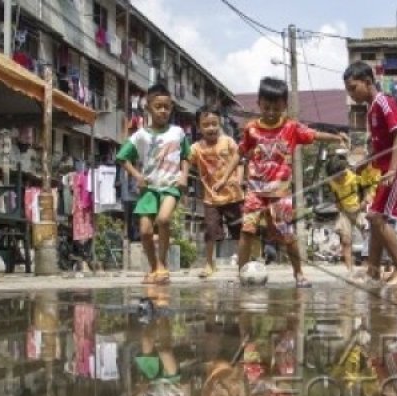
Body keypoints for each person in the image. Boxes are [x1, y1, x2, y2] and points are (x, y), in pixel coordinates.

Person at [223, 77, 348, 288]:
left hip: (280, 193)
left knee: (287, 235)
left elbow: (314, 134)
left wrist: (336, 138)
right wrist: (225, 177)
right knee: (247, 231)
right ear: (259, 104)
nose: (271, 112)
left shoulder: (291, 127)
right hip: (255, 191)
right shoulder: (251, 128)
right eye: (267, 107)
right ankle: (241, 274)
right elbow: (239, 152)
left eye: (276, 108)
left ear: (284, 106)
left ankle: (299, 273)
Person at [344, 61, 397, 286]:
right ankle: (373, 270)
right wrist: (363, 163)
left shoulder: (384, 102)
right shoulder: (372, 110)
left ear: (368, 82)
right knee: (373, 216)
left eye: (353, 88)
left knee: (378, 218)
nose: (351, 95)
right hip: (390, 171)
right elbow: (379, 147)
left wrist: (392, 169)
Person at [117, 83, 191, 285]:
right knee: (145, 231)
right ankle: (154, 267)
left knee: (164, 219)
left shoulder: (178, 132)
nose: (163, 111)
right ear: (148, 108)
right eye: (158, 106)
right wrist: (137, 176)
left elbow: (186, 156)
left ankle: (162, 263)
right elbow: (122, 158)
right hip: (149, 188)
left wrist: (184, 175)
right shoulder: (140, 135)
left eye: (167, 107)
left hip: (170, 185)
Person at [188, 106, 245, 279]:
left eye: (214, 123)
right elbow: (185, 162)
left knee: (238, 231)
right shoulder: (196, 148)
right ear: (199, 127)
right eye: (206, 125)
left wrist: (239, 179)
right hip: (211, 198)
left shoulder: (228, 141)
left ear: (219, 123)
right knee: (210, 232)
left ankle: (243, 263)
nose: (211, 128)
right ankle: (209, 264)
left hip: (233, 196)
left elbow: (240, 161)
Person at [325, 156, 374, 274]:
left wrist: (364, 202)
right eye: (334, 178)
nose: (336, 180)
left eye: (338, 177)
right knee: (346, 241)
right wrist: (337, 203)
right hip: (345, 212)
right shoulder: (331, 181)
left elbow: (367, 190)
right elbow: (334, 193)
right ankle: (350, 271)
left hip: (360, 210)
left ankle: (367, 267)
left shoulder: (355, 176)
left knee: (369, 237)